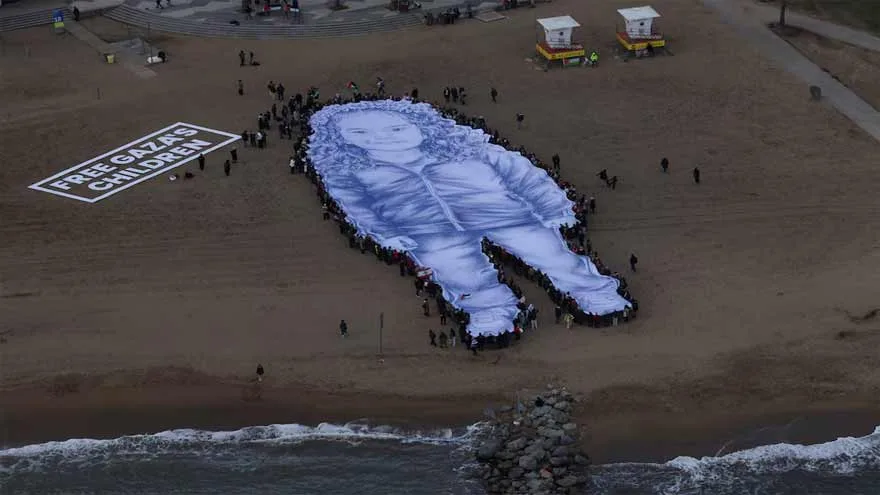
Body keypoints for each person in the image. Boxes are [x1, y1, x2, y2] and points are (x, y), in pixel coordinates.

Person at [307, 100, 629, 336]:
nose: (382, 137)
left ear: (422, 125)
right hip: (427, 230)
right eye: (360, 133)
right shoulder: (350, 171)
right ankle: (488, 311)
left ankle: (592, 290)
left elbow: (524, 175)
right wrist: (384, 233)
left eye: (396, 127)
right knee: (458, 272)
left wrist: (552, 207)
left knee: (550, 254)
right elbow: (355, 205)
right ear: (341, 141)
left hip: (507, 215)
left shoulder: (469, 149)